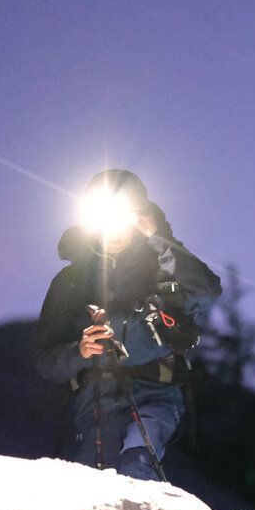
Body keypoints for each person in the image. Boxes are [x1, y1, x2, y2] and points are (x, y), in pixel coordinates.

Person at [36, 169, 222, 481]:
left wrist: (159, 238)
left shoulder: (163, 264)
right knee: (95, 476)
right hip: (95, 397)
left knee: (137, 461)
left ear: (138, 216)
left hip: (158, 394)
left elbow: (206, 290)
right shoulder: (71, 281)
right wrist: (79, 351)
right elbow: (44, 361)